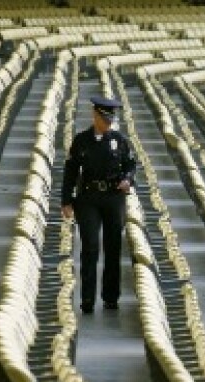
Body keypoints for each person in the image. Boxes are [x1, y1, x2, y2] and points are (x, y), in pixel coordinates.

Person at [61, 97, 136, 314]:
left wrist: (128, 180)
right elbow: (71, 171)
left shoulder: (119, 140)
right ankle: (87, 298)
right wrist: (66, 200)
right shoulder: (82, 140)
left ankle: (111, 297)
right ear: (95, 116)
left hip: (113, 197)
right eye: (104, 118)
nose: (108, 122)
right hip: (88, 198)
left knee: (113, 247)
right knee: (90, 247)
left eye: (110, 118)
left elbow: (131, 165)